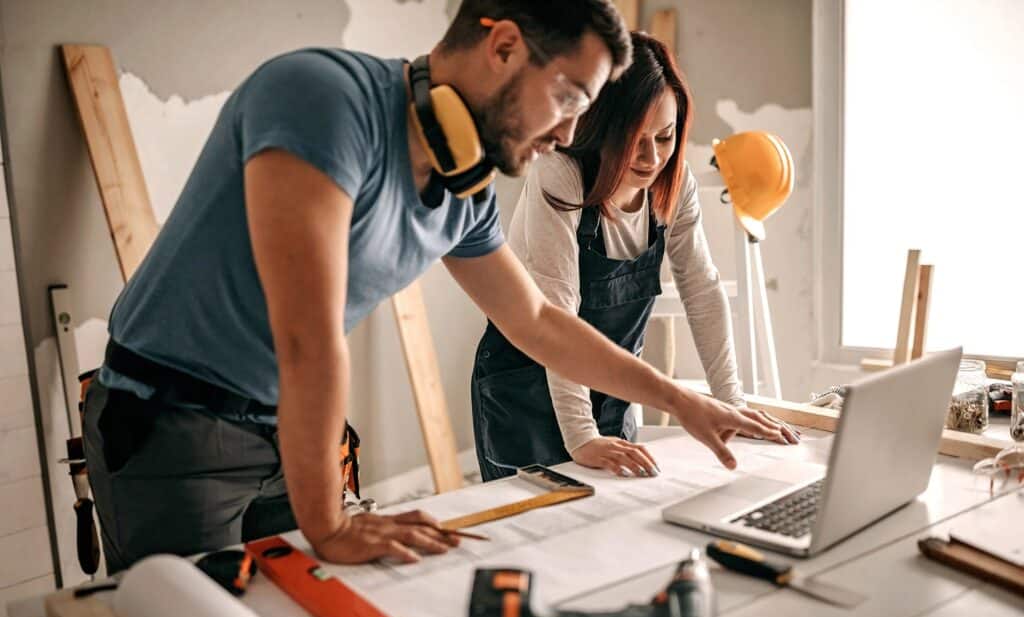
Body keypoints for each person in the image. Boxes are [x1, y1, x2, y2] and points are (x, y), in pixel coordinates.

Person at [83, 1, 782, 575]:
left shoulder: (462, 191)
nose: (571, 130)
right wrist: (331, 521)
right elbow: (305, 334)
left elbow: (537, 320)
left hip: (282, 429)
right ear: (504, 46)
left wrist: (680, 399)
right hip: (172, 426)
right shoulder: (320, 98)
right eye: (568, 97)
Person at [472, 32, 798, 481]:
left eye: (664, 137)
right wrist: (582, 436)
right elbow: (554, 313)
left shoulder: (674, 182)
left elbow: (701, 291)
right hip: (526, 389)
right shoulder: (561, 175)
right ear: (602, 129)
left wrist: (731, 404)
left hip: (610, 386)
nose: (651, 158)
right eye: (633, 140)